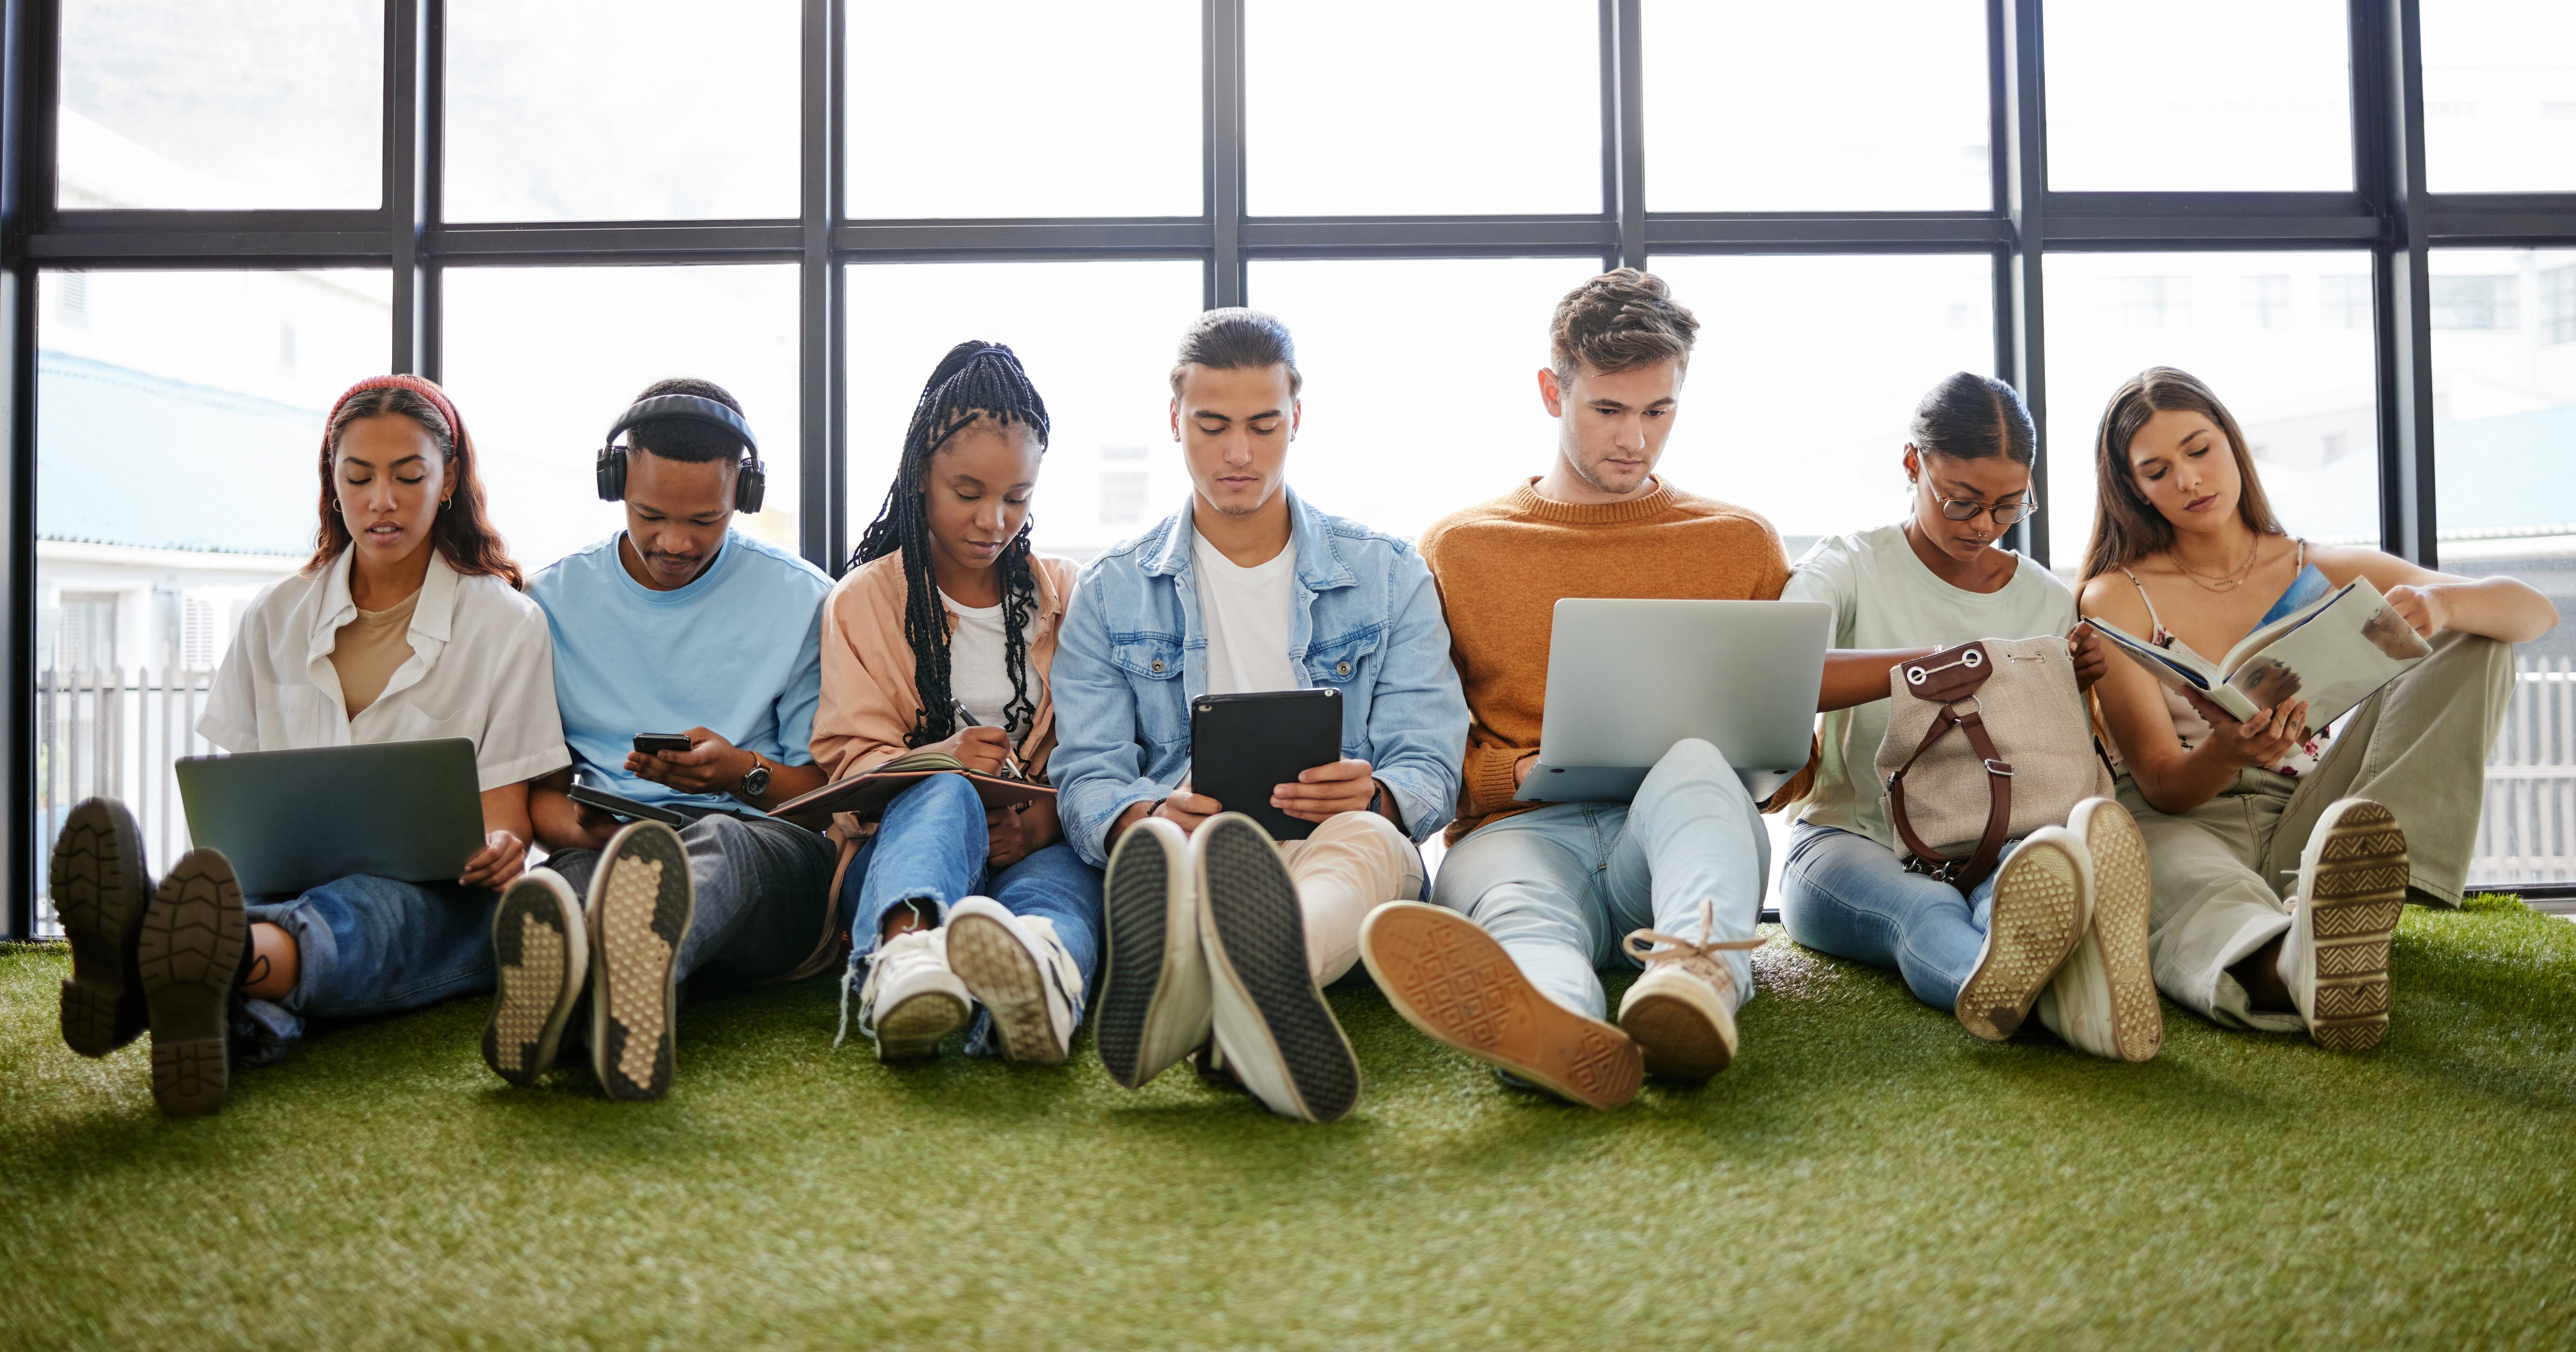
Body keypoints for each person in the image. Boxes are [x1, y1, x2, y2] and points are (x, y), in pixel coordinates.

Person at [49, 375, 566, 1117]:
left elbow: (506, 812)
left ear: (448, 478)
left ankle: (156, 964)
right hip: (280, 881)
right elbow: (242, 798)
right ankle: (208, 977)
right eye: (357, 477)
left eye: (408, 476)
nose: (381, 500)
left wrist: (501, 843)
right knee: (254, 899)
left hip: (438, 897)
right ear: (332, 481)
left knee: (367, 913)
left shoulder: (508, 623)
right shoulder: (276, 614)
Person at [1363, 268, 1787, 1110]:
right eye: (1608, 411)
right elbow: (1421, 735)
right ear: (1552, 391)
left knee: (1698, 763)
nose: (1635, 439)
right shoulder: (1458, 546)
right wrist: (1507, 775)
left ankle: (1693, 982)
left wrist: (1766, 756)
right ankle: (1553, 1025)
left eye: (1657, 412)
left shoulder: (1738, 543)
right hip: (1519, 835)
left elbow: (1788, 761)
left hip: (1670, 836)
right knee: (1523, 921)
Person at [1049, 308, 1467, 1124]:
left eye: (1262, 424)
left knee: (1373, 840)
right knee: (1162, 845)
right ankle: (1247, 1001)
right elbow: (1087, 774)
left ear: (1295, 420)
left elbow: (1429, 763)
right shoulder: (1111, 592)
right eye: (1211, 426)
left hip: (1337, 845)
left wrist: (1374, 794)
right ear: (1175, 422)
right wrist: (1145, 809)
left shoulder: (1388, 573)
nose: (1238, 452)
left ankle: (1224, 977)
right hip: (1198, 847)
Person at [2077, 367, 2556, 1051]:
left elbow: (2532, 611)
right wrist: (2227, 749)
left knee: (2476, 637)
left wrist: (2444, 605)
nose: (2186, 479)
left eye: (2198, 449)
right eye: (2156, 470)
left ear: (2231, 444)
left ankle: (2352, 881)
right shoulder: (2115, 595)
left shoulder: (2322, 565)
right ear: (2134, 489)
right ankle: (2293, 958)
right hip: (2184, 817)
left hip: (2312, 817)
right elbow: (2158, 778)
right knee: (2191, 885)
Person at [1774, 372, 2160, 1063]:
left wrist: (2078, 685)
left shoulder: (2045, 597)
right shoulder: (1850, 565)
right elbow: (1781, 675)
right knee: (1925, 910)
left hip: (1994, 841)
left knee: (2027, 874)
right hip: (1847, 841)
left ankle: (2056, 982)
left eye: (2009, 506)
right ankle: (2051, 997)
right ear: (1911, 464)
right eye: (1962, 502)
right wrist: (1941, 662)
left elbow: (2053, 755)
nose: (1983, 525)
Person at [487, 378, 837, 1101]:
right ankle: (608, 994)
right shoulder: (548, 603)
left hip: (763, 846)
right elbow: (538, 796)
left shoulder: (803, 599)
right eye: (649, 514)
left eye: (704, 520)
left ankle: (608, 973)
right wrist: (590, 830)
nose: (674, 542)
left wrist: (737, 774)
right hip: (611, 846)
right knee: (568, 885)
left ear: (742, 495)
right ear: (615, 483)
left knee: (722, 847)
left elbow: (827, 794)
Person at [811, 342, 1100, 1067]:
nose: (993, 520)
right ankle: (907, 964)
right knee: (944, 796)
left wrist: (1037, 822)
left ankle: (1044, 979)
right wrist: (941, 761)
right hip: (905, 854)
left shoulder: (1066, 595)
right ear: (920, 477)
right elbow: (847, 778)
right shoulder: (865, 601)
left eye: (1017, 497)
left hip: (1031, 845)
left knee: (1063, 891)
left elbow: (1104, 746)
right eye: (967, 493)